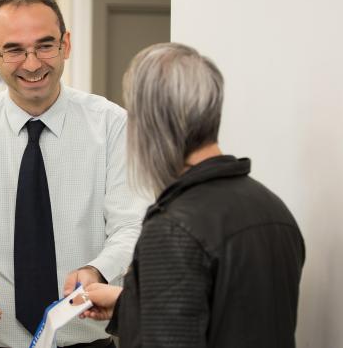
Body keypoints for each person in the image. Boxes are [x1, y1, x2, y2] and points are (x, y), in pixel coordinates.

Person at [72, 43, 306, 347]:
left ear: (155, 124)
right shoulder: (272, 209)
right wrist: (129, 304)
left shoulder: (173, 228)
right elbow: (228, 315)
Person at [0, 0, 147, 348]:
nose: (32, 63)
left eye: (45, 45)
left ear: (66, 45)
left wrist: (98, 270)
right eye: (14, 49)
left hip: (86, 340)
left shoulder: (112, 125)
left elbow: (132, 222)